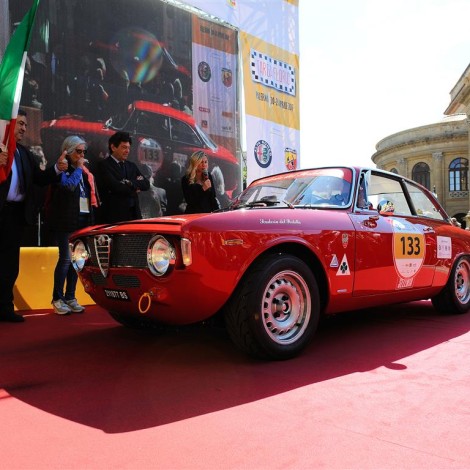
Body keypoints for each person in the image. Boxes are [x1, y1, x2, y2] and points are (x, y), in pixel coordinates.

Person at [0, 109, 68, 322]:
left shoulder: (24, 153)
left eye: (25, 125)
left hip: (15, 216)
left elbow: (39, 178)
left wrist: (57, 168)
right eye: (20, 123)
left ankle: (4, 308)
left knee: (10, 266)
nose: (23, 128)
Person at [45, 136, 99, 315]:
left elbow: (87, 198)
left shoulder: (82, 172)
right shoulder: (63, 167)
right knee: (65, 259)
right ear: (68, 150)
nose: (82, 155)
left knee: (77, 262)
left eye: (84, 151)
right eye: (78, 151)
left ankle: (70, 297)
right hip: (64, 221)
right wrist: (78, 168)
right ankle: (57, 298)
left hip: (80, 221)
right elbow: (68, 187)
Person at [96, 131, 150, 223]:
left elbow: (146, 184)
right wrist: (135, 187)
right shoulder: (104, 165)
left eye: (128, 148)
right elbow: (115, 187)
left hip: (134, 216)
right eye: (124, 147)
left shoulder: (131, 166)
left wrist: (130, 183)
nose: (127, 151)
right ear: (113, 147)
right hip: (114, 217)